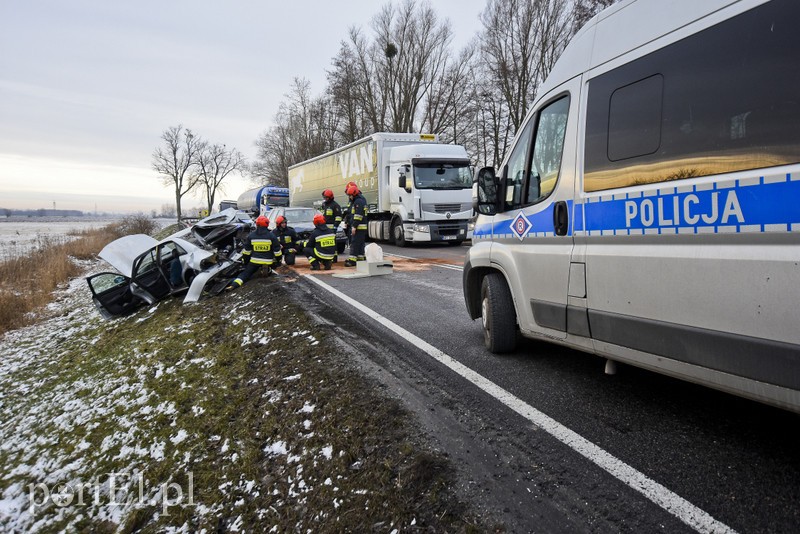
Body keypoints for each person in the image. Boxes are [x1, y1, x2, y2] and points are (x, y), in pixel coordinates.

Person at [227, 215, 281, 289]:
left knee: (245, 274)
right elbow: (277, 252)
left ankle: (234, 285)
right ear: (267, 224)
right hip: (268, 261)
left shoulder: (251, 236)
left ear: (257, 224)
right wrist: (278, 261)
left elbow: (246, 252)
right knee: (273, 263)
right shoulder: (272, 236)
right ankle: (268, 269)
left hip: (254, 261)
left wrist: (246, 262)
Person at [344, 182, 367, 267]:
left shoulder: (358, 202)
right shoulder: (358, 200)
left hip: (358, 226)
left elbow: (358, 216)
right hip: (360, 226)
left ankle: (352, 260)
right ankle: (360, 258)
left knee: (354, 243)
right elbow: (350, 213)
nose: (349, 197)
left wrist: (354, 226)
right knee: (360, 243)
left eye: (350, 195)